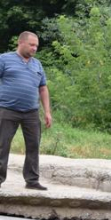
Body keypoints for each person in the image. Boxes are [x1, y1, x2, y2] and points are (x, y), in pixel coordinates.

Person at [0, 31, 52, 191]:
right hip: (7, 109)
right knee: (2, 145)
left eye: (36, 45)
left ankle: (32, 180)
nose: (35, 48)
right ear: (20, 43)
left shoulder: (37, 64)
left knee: (33, 145)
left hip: (31, 112)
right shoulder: (4, 59)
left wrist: (47, 112)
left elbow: (43, 88)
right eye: (32, 44)